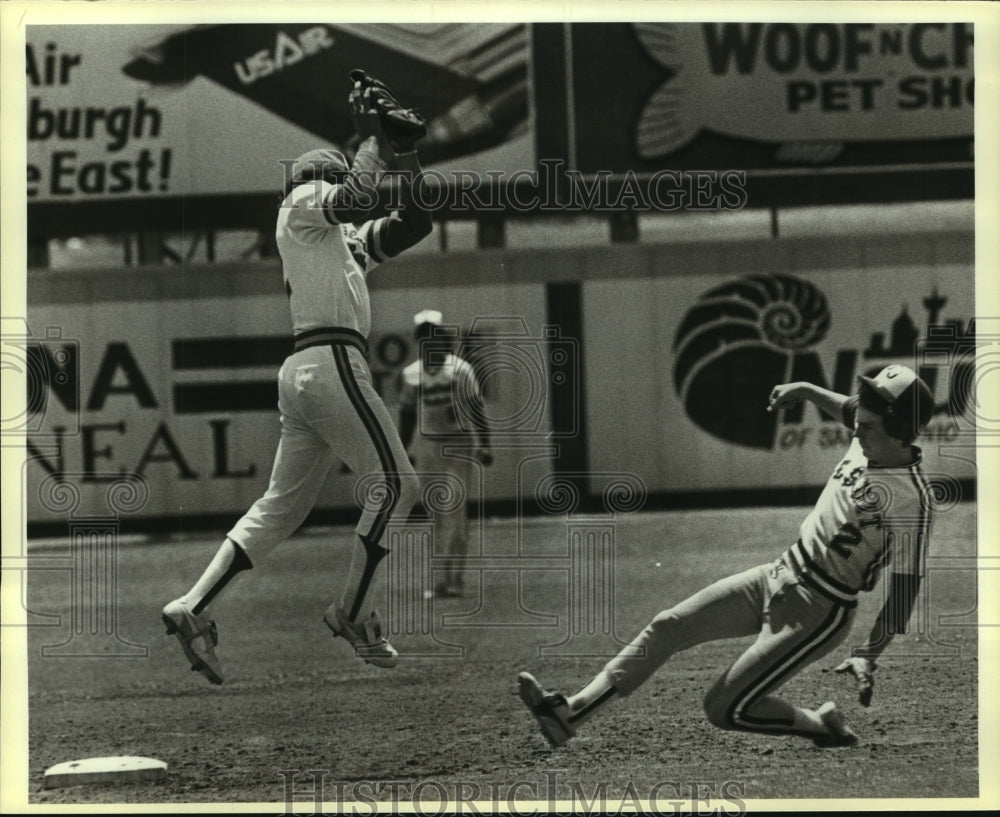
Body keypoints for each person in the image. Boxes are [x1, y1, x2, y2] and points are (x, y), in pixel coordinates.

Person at [162, 76, 433, 684]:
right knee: (398, 486)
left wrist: (405, 153)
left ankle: (193, 605)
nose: (342, 180)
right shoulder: (300, 206)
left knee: (280, 508)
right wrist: (374, 138)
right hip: (332, 359)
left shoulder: (338, 240)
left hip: (309, 371)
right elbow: (361, 195)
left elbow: (416, 222)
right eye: (336, 174)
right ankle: (352, 610)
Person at [518, 364, 935, 748]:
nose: (856, 430)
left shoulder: (912, 499)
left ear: (899, 429)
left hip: (819, 611)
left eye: (867, 425)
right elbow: (848, 408)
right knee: (668, 627)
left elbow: (906, 585)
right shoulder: (872, 434)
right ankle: (569, 713)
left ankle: (816, 725)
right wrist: (807, 390)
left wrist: (869, 652)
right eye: (858, 420)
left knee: (723, 708)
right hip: (779, 571)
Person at [398, 310, 492, 597]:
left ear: (442, 336)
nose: (429, 340)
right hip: (429, 446)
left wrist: (485, 443)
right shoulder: (411, 374)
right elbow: (407, 416)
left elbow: (476, 410)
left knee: (456, 511)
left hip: (458, 444)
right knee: (436, 512)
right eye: (423, 336)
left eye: (433, 334)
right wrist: (399, 452)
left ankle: (455, 578)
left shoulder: (461, 370)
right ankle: (440, 579)